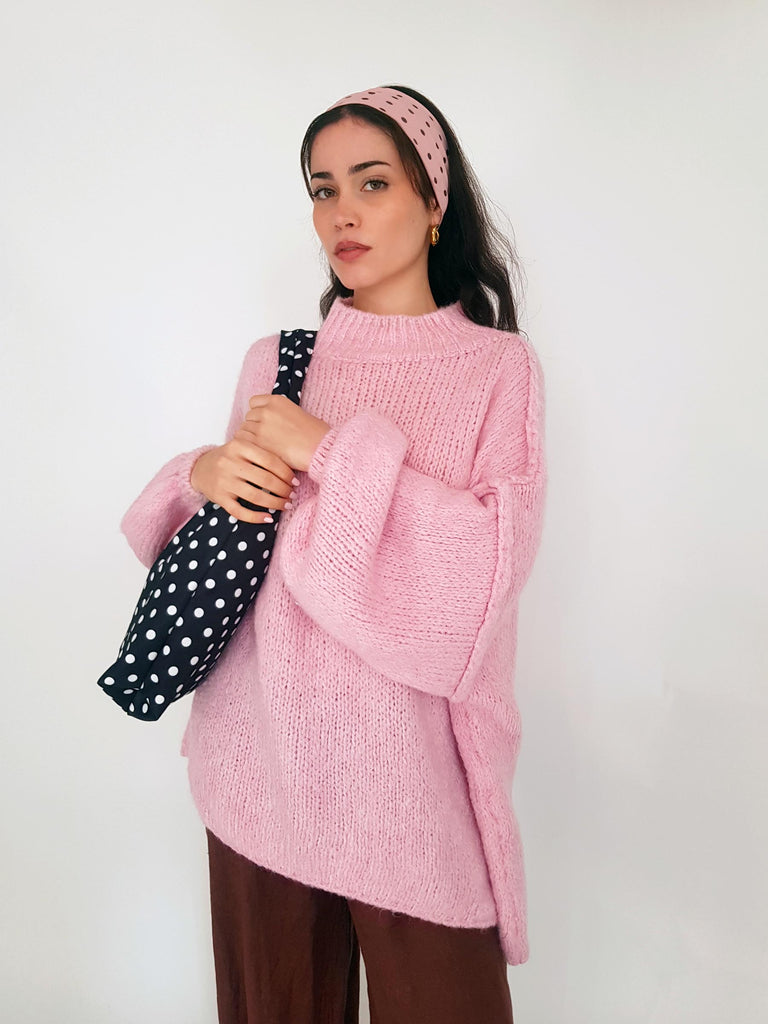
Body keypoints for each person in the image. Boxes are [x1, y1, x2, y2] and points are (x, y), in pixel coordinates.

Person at [120, 84, 547, 1024]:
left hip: (412, 794)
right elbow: (229, 559)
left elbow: (476, 588)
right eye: (323, 189)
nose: (341, 212)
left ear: (434, 203)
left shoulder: (497, 369)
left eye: (372, 182)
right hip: (260, 766)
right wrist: (201, 472)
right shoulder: (277, 359)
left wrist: (329, 450)